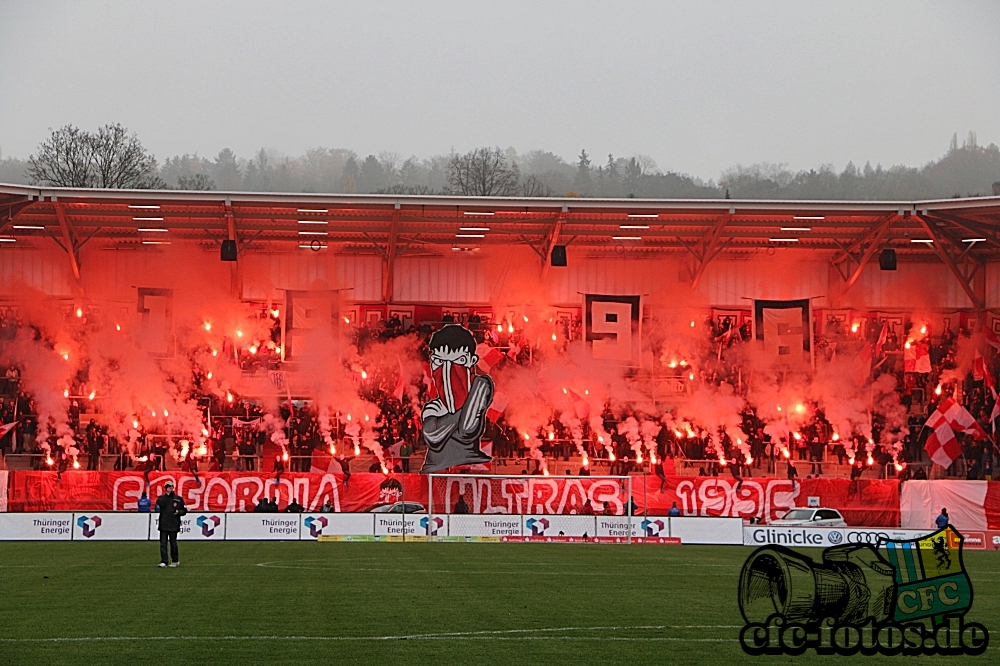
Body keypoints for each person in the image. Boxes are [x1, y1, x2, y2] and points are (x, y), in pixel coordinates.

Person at [155, 481, 187, 568]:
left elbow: (184, 510)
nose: (169, 488)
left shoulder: (178, 499)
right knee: (163, 544)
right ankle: (164, 561)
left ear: (173, 487)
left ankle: (175, 560)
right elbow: (160, 504)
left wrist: (178, 512)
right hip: (164, 524)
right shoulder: (161, 498)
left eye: (170, 487)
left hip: (174, 524)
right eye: (167, 487)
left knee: (173, 543)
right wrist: (167, 495)